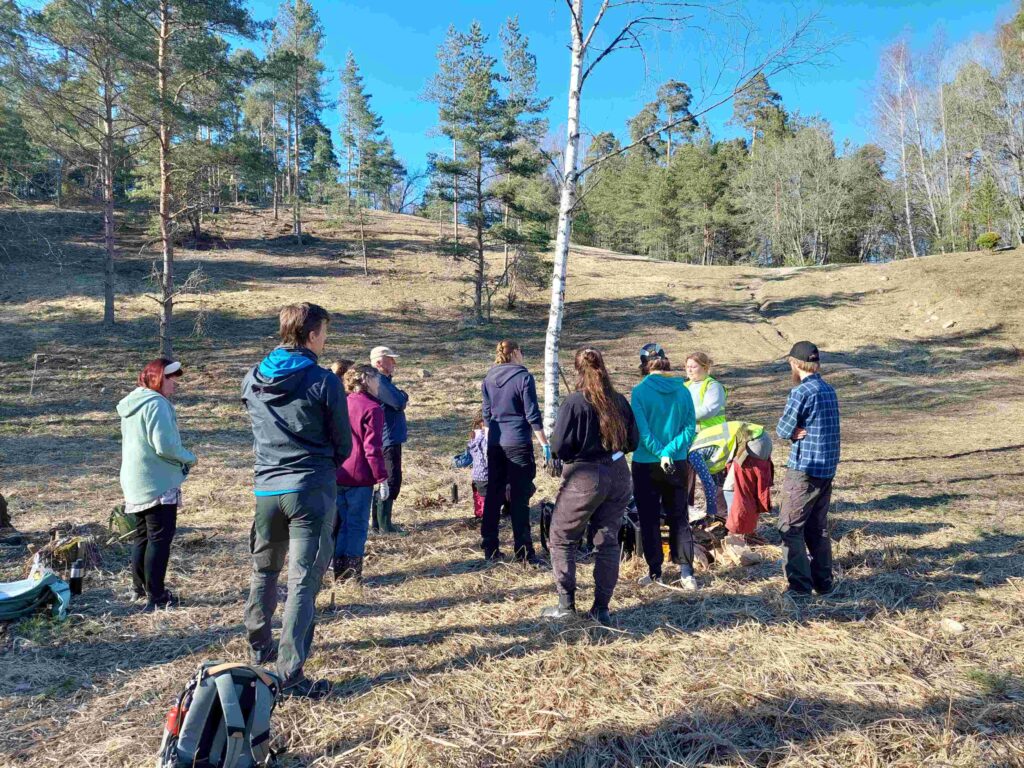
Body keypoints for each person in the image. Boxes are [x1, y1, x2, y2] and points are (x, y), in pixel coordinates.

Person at [241, 302, 352, 699]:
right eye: (323, 332)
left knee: (265, 570)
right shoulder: (323, 381)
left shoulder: (253, 376)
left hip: (266, 488)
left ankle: (259, 644)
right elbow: (344, 441)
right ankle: (290, 674)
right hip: (310, 487)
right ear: (310, 335)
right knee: (303, 580)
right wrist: (323, 465)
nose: (325, 340)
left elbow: (257, 427)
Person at [542, 348, 638, 626]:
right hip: (619, 473)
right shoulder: (618, 400)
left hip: (584, 475)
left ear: (576, 371)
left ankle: (566, 604)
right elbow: (633, 442)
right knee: (607, 542)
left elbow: (558, 447)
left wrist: (570, 453)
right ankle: (601, 609)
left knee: (561, 536)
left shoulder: (574, 402)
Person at [117, 359, 196, 612]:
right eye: (172, 379)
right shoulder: (157, 404)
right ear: (159, 378)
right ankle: (157, 596)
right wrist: (188, 457)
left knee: (142, 536)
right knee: (159, 539)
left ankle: (139, 588)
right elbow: (165, 446)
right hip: (157, 480)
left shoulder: (132, 403)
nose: (176, 384)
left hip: (134, 479)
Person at [630, 343, 699, 590]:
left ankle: (655, 571)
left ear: (643, 366)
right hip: (677, 462)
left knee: (649, 519)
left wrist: (660, 453)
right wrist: (670, 452)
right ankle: (686, 571)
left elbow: (642, 431)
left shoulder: (638, 392)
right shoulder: (683, 389)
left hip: (646, 464)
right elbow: (690, 428)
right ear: (666, 362)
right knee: (679, 516)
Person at [776, 341, 841, 596]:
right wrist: (798, 431)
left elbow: (782, 430)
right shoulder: (828, 389)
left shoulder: (800, 392)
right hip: (827, 468)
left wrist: (793, 431)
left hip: (804, 469)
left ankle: (799, 587)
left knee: (789, 527)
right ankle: (824, 583)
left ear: (795, 363)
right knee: (818, 528)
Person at [480, 339, 549, 563]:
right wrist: (545, 444)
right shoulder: (524, 377)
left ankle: (490, 547)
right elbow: (532, 414)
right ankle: (524, 552)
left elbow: (487, 415)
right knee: (520, 498)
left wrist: (490, 443)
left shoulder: (489, 378)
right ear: (516, 353)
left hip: (496, 442)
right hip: (518, 441)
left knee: (493, 495)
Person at [333, 364, 387, 583]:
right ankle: (353, 573)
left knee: (339, 524)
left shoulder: (340, 403)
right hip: (359, 476)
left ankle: (338, 571)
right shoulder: (373, 409)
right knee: (356, 526)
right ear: (366, 381)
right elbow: (372, 449)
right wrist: (382, 477)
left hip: (337, 472)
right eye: (376, 379)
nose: (379, 383)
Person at [369, 346, 408, 535]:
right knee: (391, 479)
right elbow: (398, 401)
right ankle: (385, 526)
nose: (394, 363)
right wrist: (403, 395)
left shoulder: (382, 381)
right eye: (390, 359)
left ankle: (378, 524)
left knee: (388, 479)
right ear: (379, 362)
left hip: (389, 436)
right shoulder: (379, 381)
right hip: (387, 438)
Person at [454, 417, 489, 518]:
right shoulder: (486, 437)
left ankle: (479, 514)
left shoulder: (474, 436)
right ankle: (486, 517)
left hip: (476, 475)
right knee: (486, 498)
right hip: (486, 475)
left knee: (478, 496)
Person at [684, 352, 727, 431]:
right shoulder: (684, 386)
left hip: (713, 434)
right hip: (690, 432)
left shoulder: (713, 386)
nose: (689, 370)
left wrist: (682, 415)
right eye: (687, 367)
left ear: (705, 368)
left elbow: (708, 411)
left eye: (693, 367)